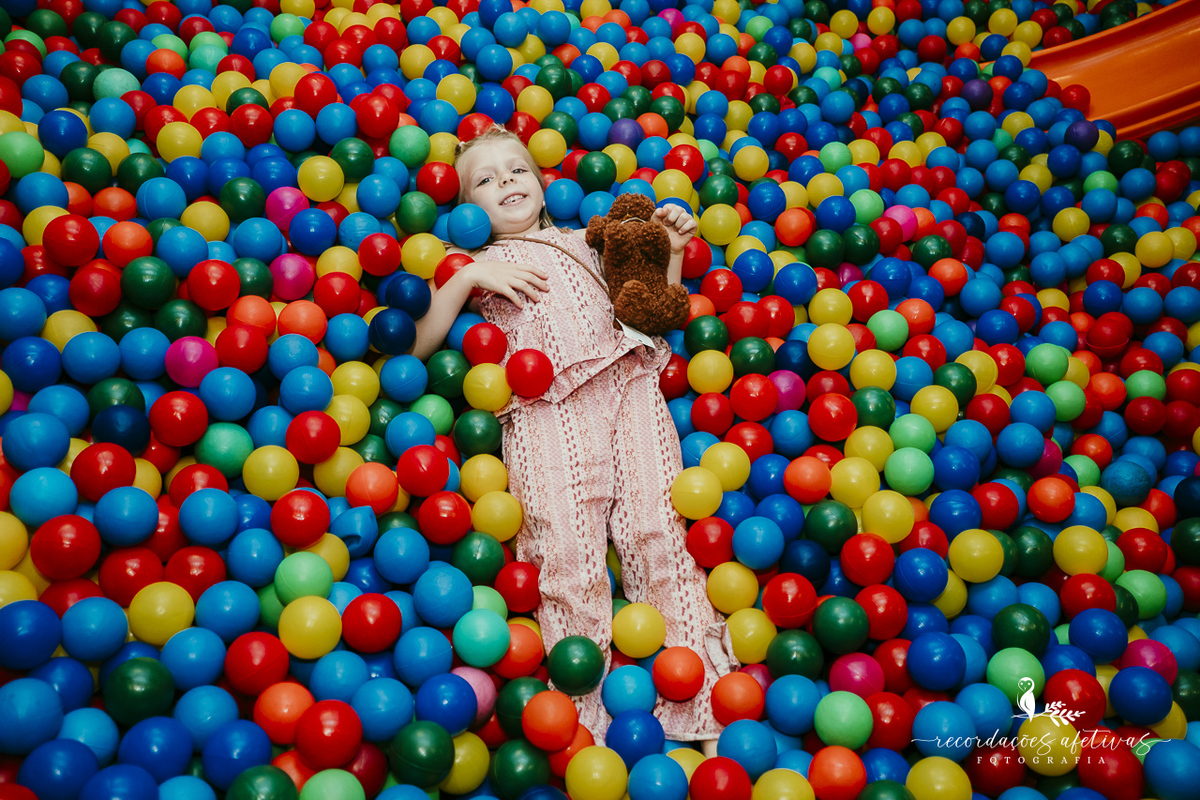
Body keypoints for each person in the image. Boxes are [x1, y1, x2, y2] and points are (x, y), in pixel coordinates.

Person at [410, 126, 736, 751]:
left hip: (630, 385)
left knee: (661, 532)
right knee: (562, 548)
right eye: (486, 180)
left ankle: (701, 708)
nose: (507, 182)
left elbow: (648, 307)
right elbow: (419, 341)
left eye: (517, 170)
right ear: (464, 209)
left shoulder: (589, 239)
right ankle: (581, 726)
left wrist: (668, 250)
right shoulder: (465, 259)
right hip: (544, 409)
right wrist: (468, 276)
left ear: (542, 185)